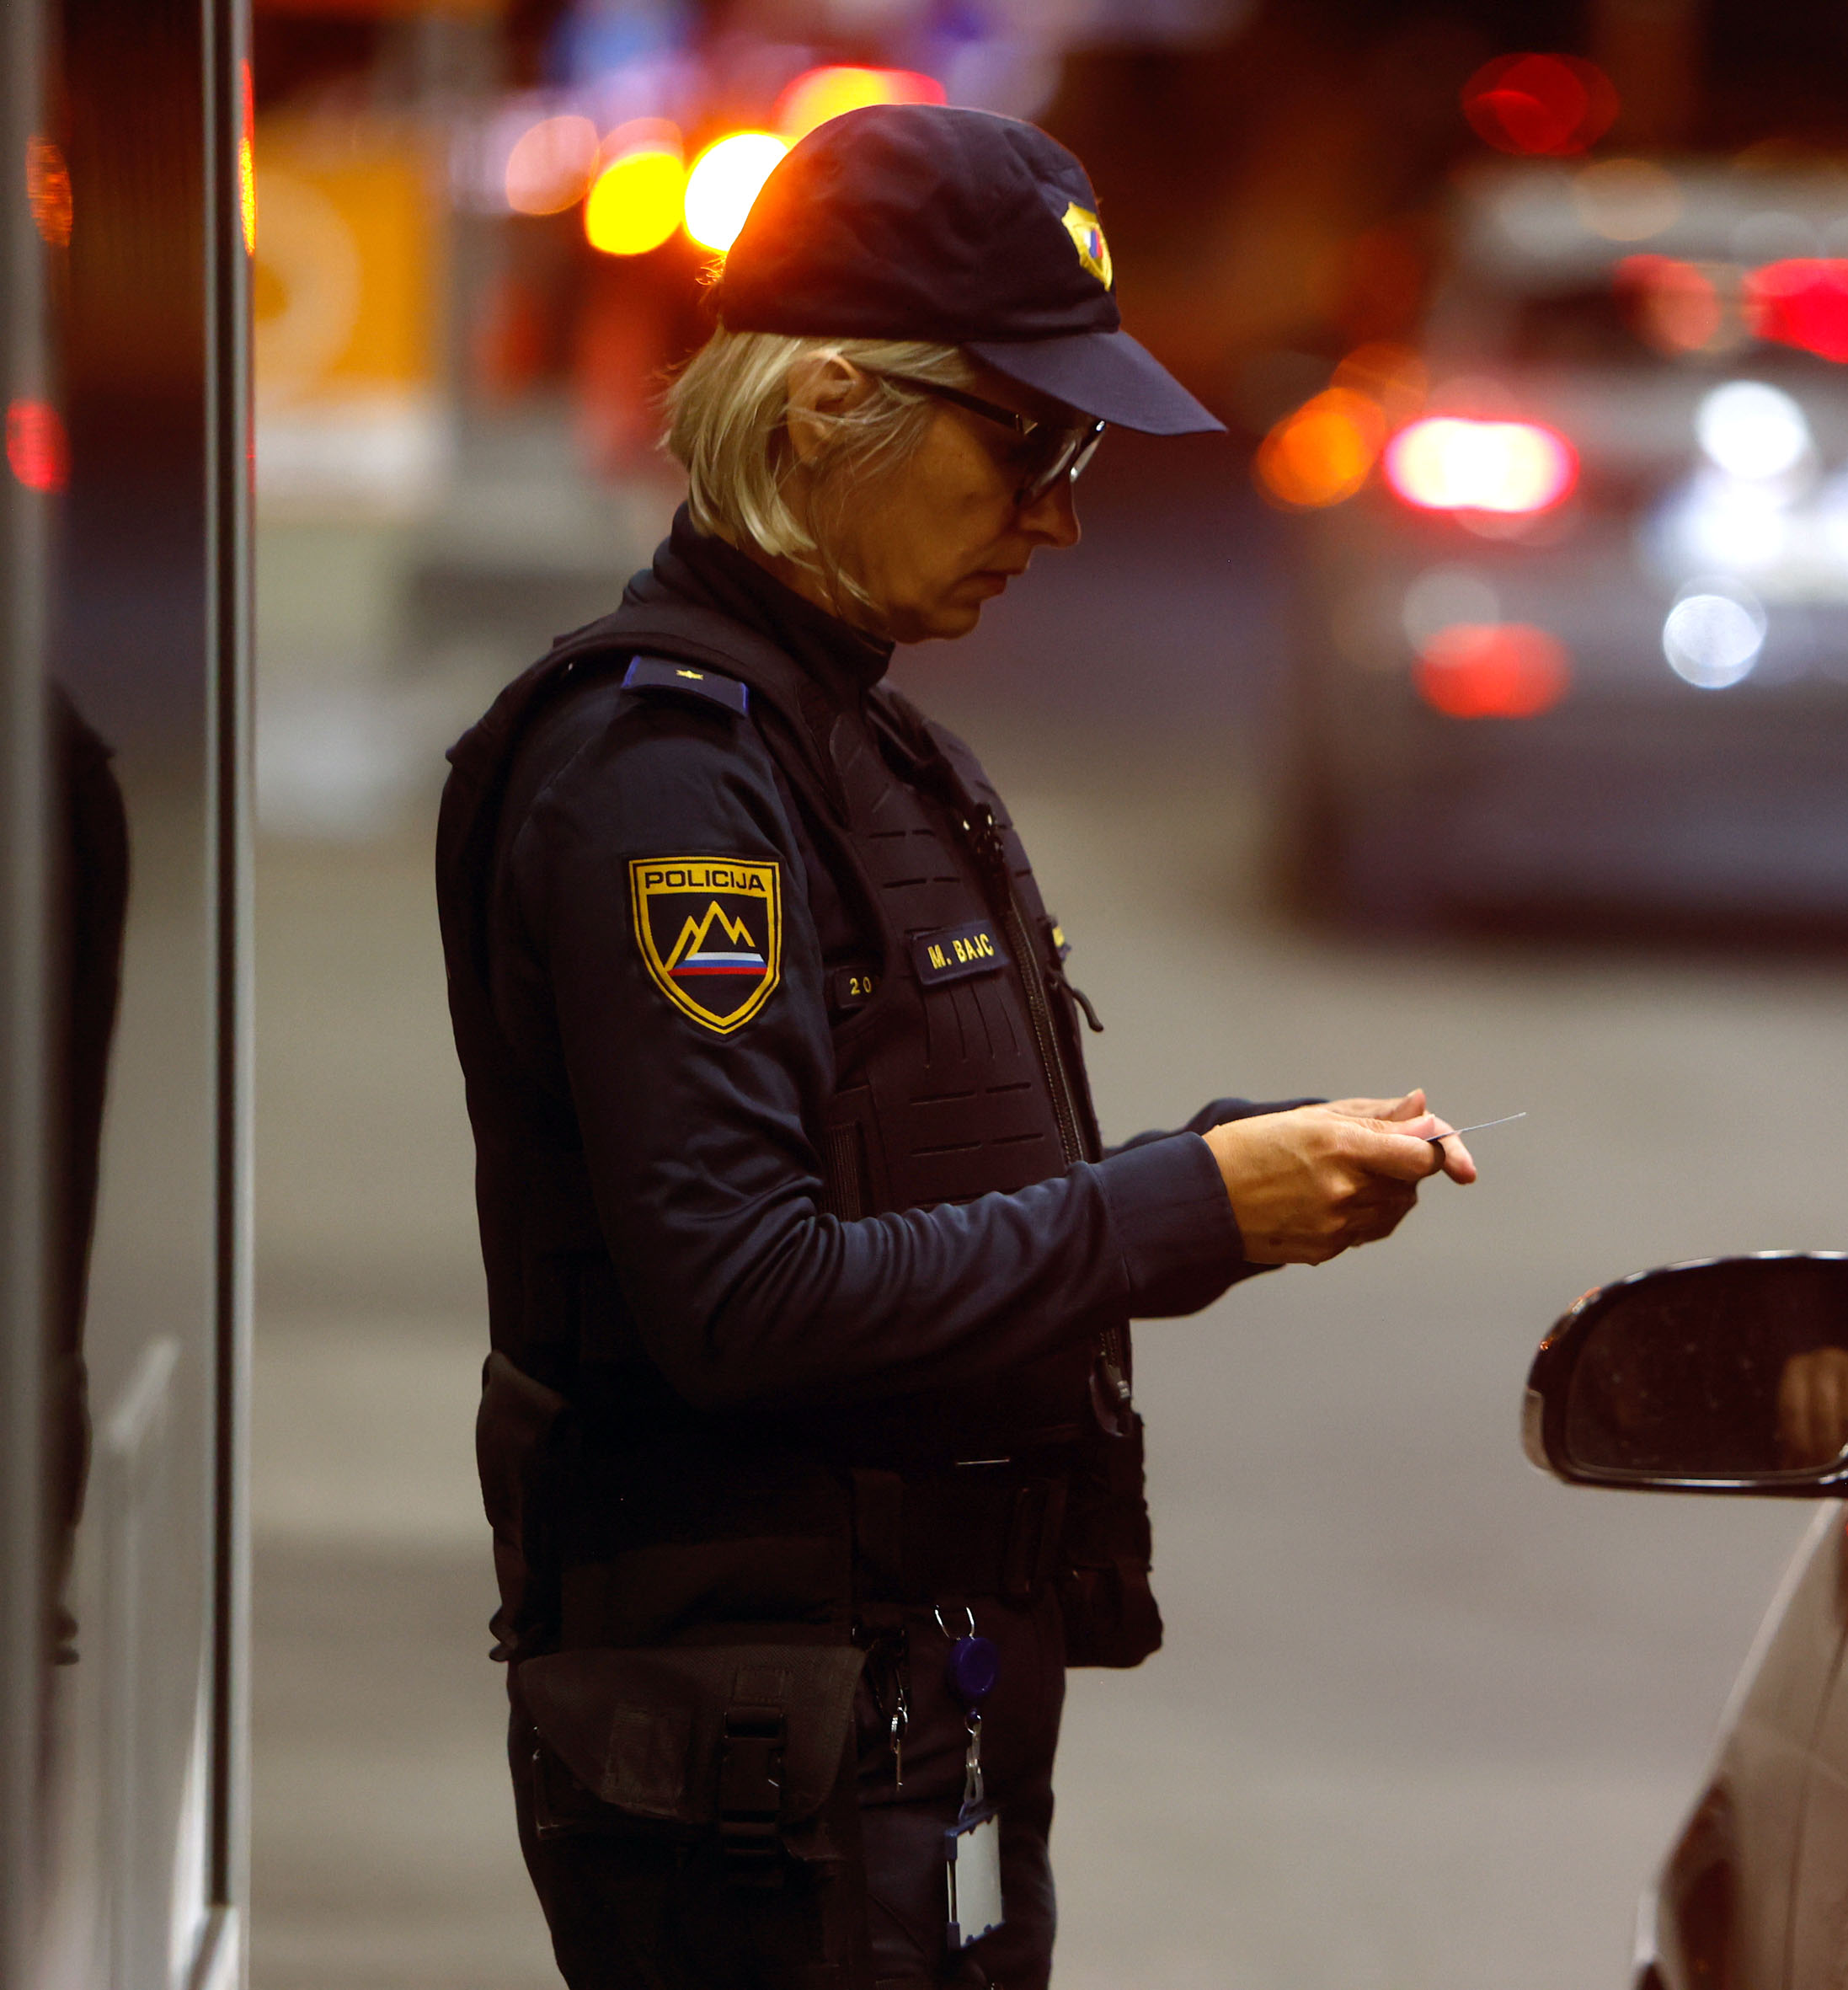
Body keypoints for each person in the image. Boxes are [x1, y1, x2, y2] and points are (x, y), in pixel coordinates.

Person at [435, 104, 1478, 1990]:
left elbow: (906, 1177)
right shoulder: (666, 775)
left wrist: (1223, 1178)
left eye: (1078, 455)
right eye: (1028, 444)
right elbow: (743, 1295)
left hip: (893, 1719)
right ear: (829, 401)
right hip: (767, 1775)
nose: (1058, 515)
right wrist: (1178, 1209)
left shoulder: (852, 735)